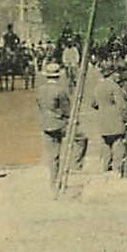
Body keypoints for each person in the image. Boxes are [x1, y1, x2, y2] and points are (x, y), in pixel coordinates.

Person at [82, 60, 127, 175]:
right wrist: (126, 118)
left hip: (102, 117)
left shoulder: (98, 87)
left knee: (106, 142)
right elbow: (121, 105)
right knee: (117, 141)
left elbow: (93, 103)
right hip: (115, 117)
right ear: (112, 73)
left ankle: (106, 165)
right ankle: (117, 166)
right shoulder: (114, 87)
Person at [37, 60, 73, 190]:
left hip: (45, 122)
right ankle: (57, 180)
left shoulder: (40, 90)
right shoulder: (60, 91)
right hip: (58, 123)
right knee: (58, 153)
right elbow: (67, 109)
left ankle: (53, 179)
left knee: (50, 154)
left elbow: (40, 106)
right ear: (58, 76)